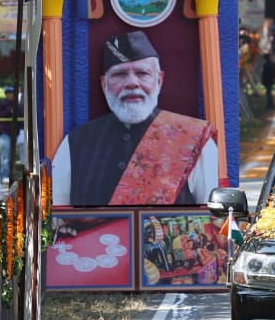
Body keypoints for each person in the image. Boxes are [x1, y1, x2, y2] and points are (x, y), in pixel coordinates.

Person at [52, 30, 219, 207]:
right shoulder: (75, 143)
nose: (132, 83)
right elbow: (55, 214)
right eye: (119, 74)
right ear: (104, 84)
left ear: (159, 80)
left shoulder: (193, 139)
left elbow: (213, 216)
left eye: (142, 73)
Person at [0, 85, 18, 185]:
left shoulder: (17, 104)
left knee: (12, 157)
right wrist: (9, 110)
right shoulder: (2, 104)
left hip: (15, 133)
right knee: (5, 156)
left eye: (12, 93)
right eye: (8, 93)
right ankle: (4, 176)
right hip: (3, 133)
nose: (10, 95)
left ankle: (12, 175)